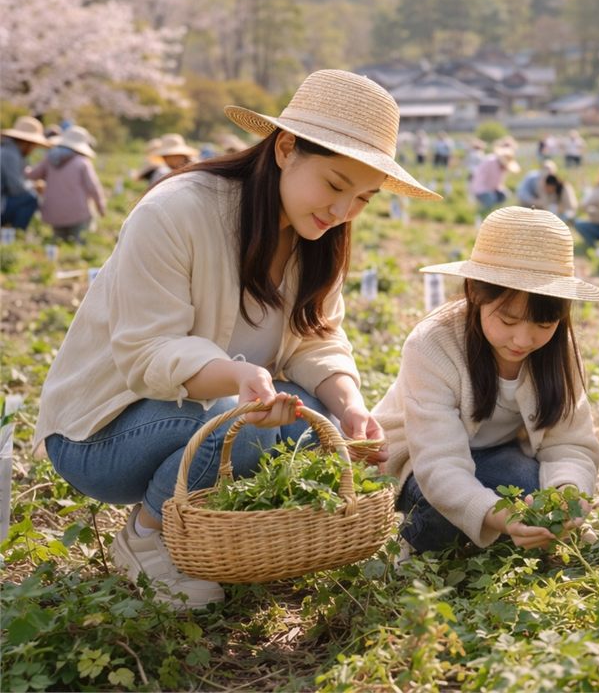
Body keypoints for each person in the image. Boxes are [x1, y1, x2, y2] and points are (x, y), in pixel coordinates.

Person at [33, 70, 441, 608]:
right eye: (336, 185)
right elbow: (147, 351)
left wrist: (347, 406)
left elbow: (316, 339)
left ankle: (238, 530)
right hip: (101, 434)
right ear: (287, 147)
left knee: (320, 433)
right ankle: (149, 537)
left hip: (216, 407)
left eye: (363, 199)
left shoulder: (317, 236)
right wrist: (237, 374)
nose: (344, 212)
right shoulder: (176, 211)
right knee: (243, 421)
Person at [374, 207, 599, 554]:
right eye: (508, 319)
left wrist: (567, 496)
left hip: (494, 455)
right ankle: (418, 539)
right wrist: (499, 516)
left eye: (543, 325)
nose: (522, 340)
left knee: (533, 490)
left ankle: (495, 534)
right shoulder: (432, 344)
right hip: (419, 461)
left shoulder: (560, 352)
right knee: (437, 512)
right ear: (475, 293)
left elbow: (570, 443)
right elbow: (438, 464)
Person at [28, 126, 106, 243]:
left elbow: (33, 175)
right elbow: (93, 187)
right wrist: (100, 207)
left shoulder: (49, 158)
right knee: (78, 243)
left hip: (53, 212)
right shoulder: (82, 162)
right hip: (78, 213)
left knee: (58, 241)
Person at [1, 115, 51, 229]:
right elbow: (16, 188)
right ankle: (15, 234)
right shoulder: (10, 155)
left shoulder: (11, 151)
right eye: (33, 146)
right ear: (27, 143)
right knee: (31, 198)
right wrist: (34, 186)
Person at [471, 144, 519, 216]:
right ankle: (484, 215)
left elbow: (498, 184)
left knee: (505, 195)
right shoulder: (490, 162)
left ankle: (500, 216)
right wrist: (488, 191)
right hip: (481, 190)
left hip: (492, 189)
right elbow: (480, 180)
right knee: (490, 199)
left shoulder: (503, 169)